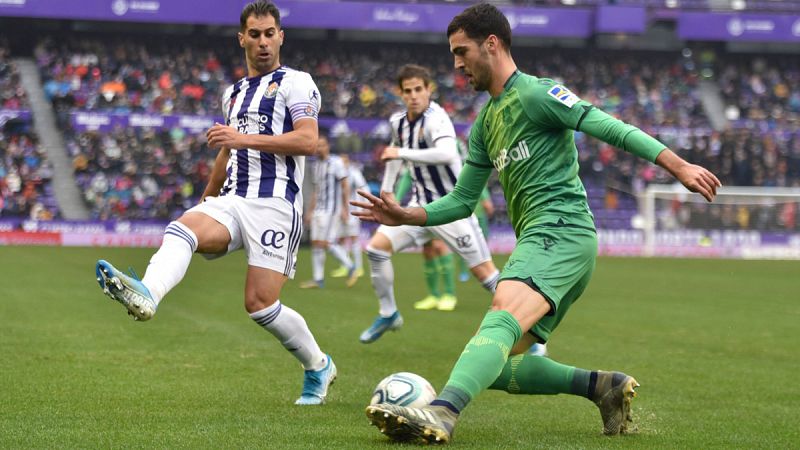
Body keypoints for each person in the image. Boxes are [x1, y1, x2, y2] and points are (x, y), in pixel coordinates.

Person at [357, 3, 721, 443]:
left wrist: (679, 166)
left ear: (492, 44)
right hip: (548, 240)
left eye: (461, 51)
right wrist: (408, 215)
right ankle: (601, 387)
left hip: (560, 230)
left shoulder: (537, 94)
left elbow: (611, 128)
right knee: (490, 362)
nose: (456, 65)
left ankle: (441, 413)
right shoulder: (486, 123)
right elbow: (462, 200)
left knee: (500, 318)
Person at [94, 0, 337, 406]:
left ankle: (318, 365)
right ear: (242, 38)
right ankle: (147, 293)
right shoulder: (233, 93)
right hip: (233, 200)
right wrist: (207, 198)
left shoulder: (297, 82)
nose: (263, 42)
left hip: (275, 204)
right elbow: (227, 151)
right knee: (182, 228)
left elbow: (308, 141)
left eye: (270, 34)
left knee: (260, 305)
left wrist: (240, 138)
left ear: (281, 37)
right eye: (255, 34)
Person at [359, 63, 500, 345]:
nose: (413, 96)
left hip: (451, 209)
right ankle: (388, 313)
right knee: (376, 249)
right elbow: (393, 156)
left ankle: (534, 331)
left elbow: (446, 154)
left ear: (429, 90)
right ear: (400, 93)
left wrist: (402, 152)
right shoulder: (398, 121)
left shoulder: (438, 118)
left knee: (486, 275)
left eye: (418, 90)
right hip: (419, 207)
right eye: (408, 91)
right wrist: (387, 193)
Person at [299, 134, 359, 289]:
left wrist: (345, 208)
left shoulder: (336, 163)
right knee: (316, 244)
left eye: (322, 145)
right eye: (317, 146)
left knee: (326, 242)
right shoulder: (315, 165)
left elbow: (345, 186)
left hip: (331, 210)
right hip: (318, 210)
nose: (319, 148)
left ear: (328, 146)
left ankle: (351, 266)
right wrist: (310, 211)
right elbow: (316, 190)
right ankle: (318, 279)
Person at [329, 154, 367, 280]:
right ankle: (345, 266)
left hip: (353, 210)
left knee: (354, 237)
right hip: (338, 211)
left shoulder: (354, 173)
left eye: (344, 161)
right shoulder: (336, 174)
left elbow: (363, 188)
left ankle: (359, 267)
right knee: (340, 239)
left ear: (348, 162)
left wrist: (364, 206)